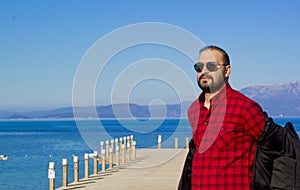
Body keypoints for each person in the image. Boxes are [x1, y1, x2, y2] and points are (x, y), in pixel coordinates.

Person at [184, 45, 266, 190]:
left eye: (211, 66)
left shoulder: (244, 107)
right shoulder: (193, 110)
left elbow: (275, 146)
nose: (204, 71)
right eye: (199, 67)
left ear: (227, 70)